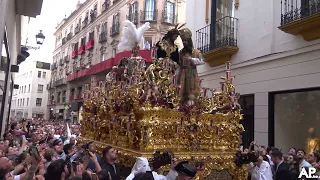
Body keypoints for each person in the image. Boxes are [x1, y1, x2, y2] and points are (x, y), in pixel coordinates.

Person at [177, 28, 205, 106]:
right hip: (182, 74)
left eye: (186, 40)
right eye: (183, 40)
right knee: (180, 94)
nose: (184, 42)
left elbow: (202, 60)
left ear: (189, 41)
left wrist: (191, 59)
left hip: (192, 74)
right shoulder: (180, 53)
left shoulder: (196, 52)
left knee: (191, 93)